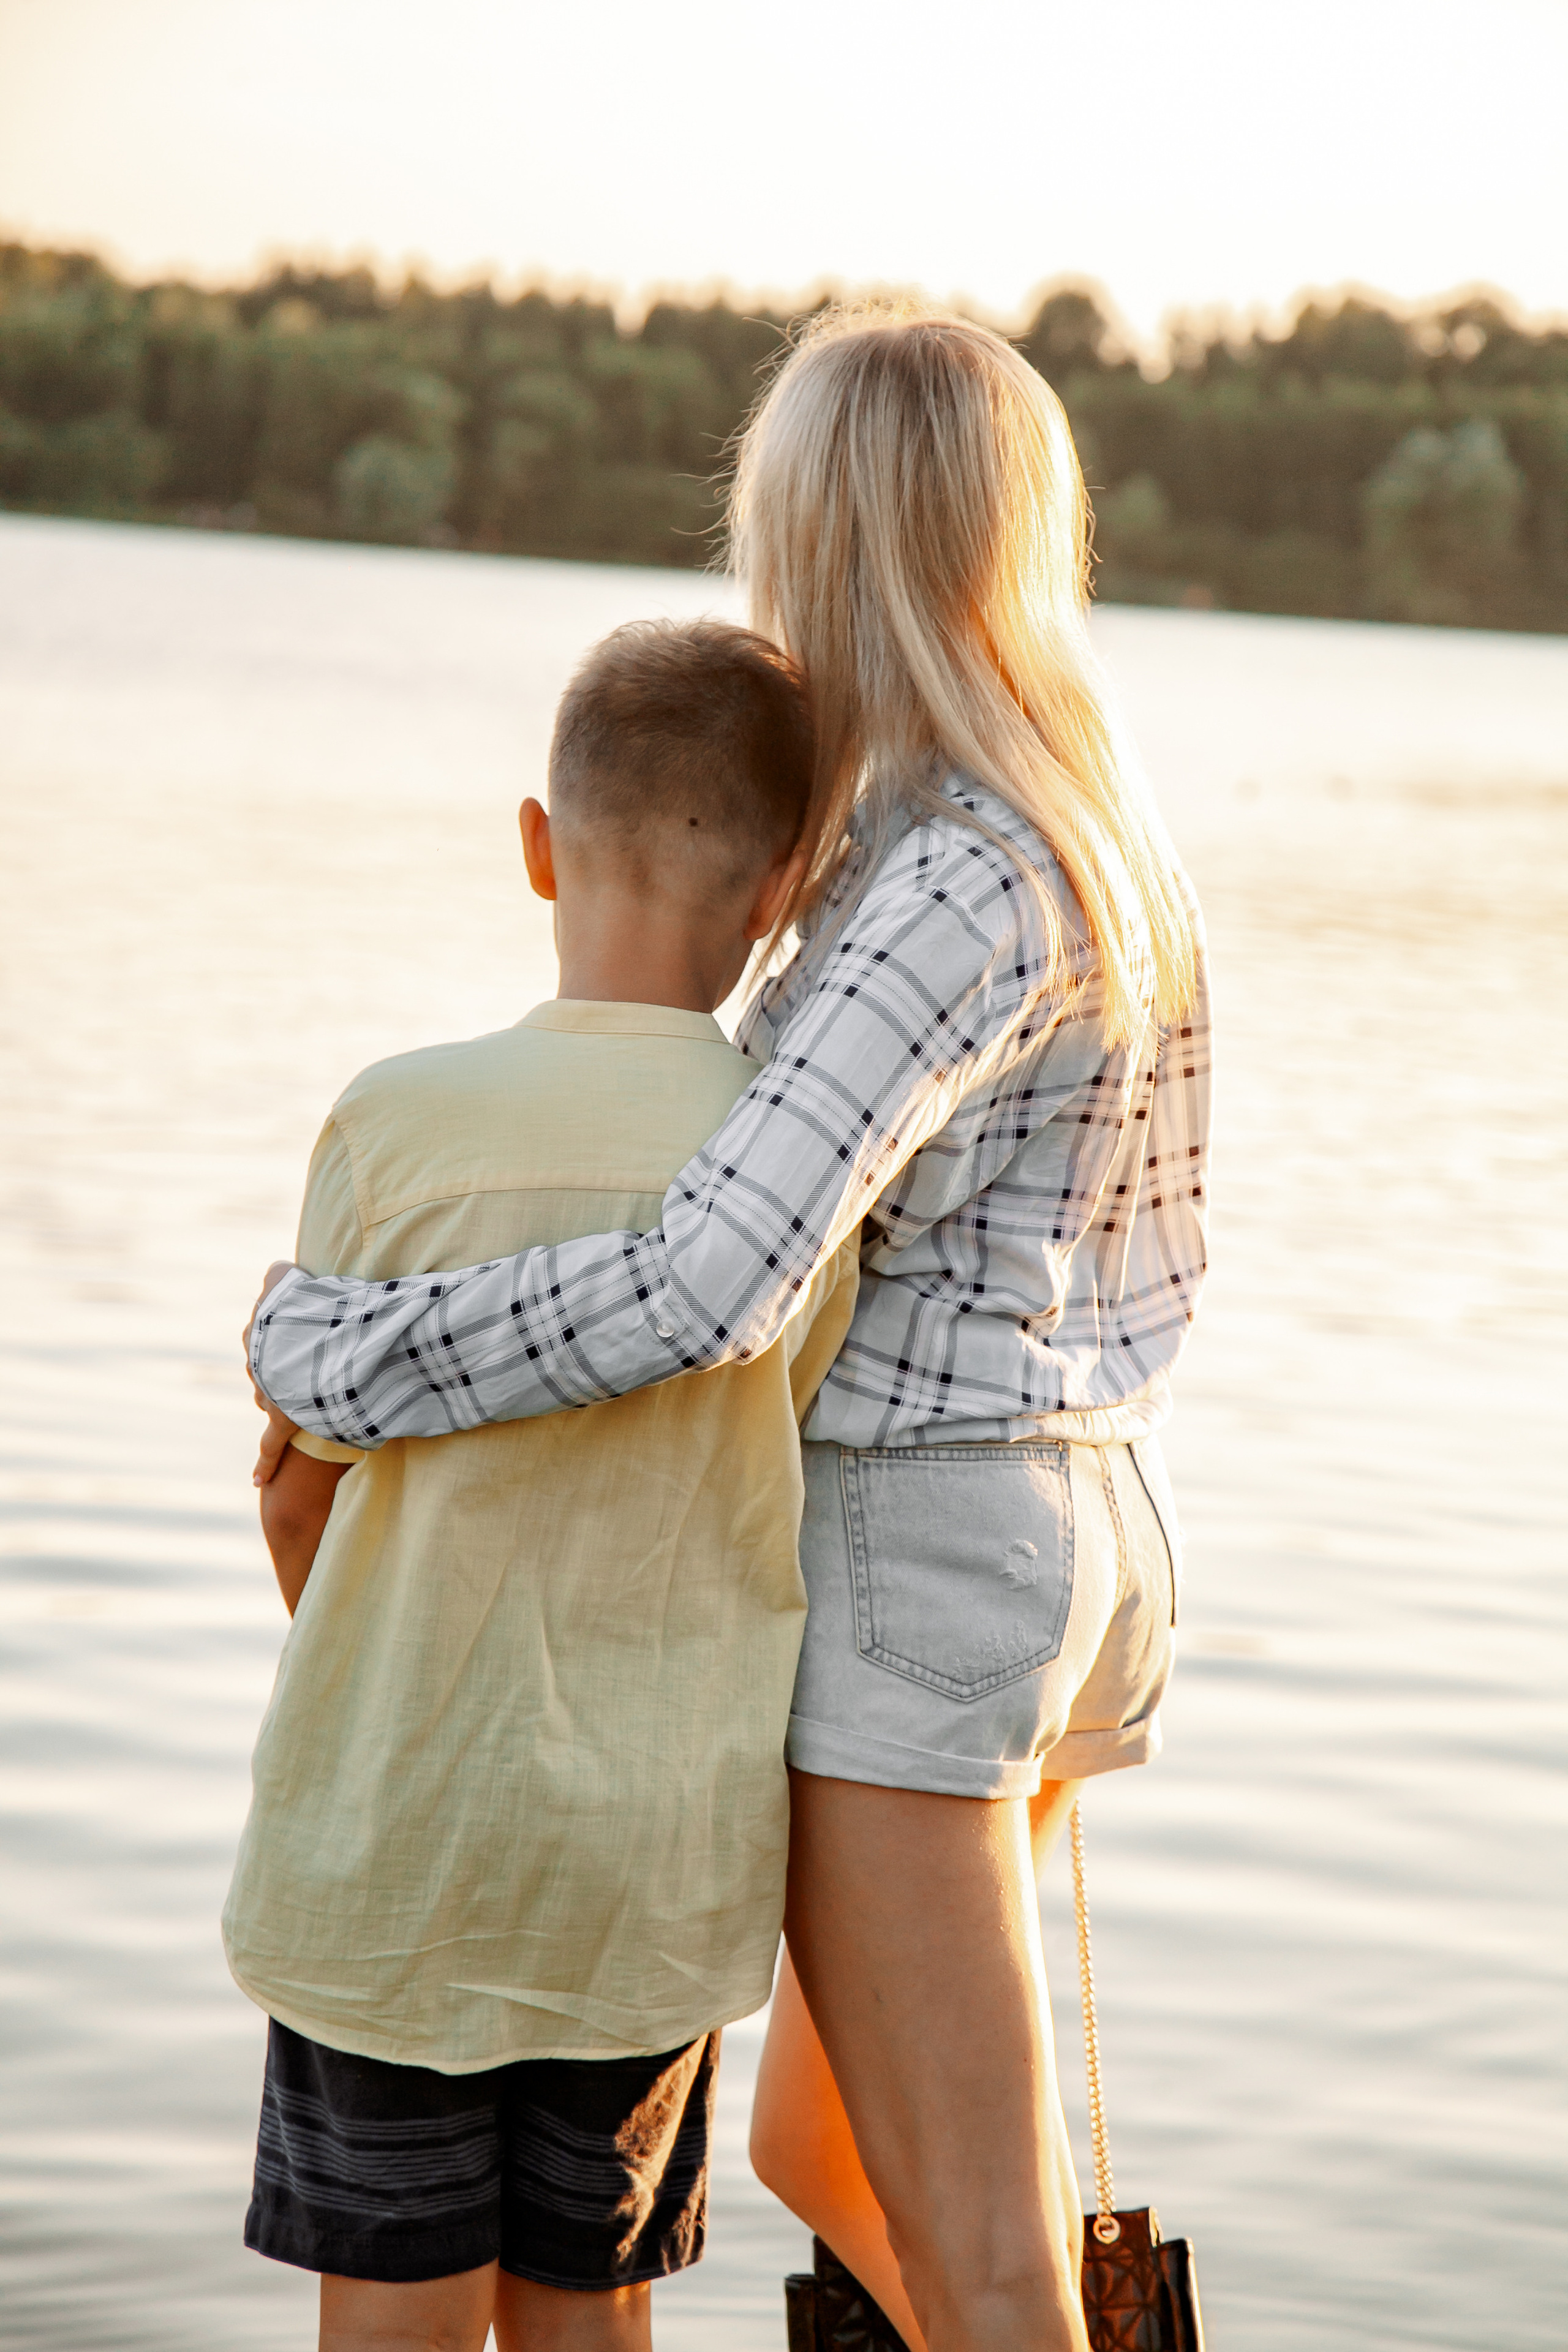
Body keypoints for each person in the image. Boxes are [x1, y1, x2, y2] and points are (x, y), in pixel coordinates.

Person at [248, 303, 1213, 2352]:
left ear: (831, 537)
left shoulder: (954, 870)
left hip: (915, 1565)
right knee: (830, 2166)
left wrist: (343, 1359)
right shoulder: (1086, 829)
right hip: (1057, 1525)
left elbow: (714, 1278)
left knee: (982, 2254)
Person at [228, 618, 860, 2352]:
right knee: (591, 2322)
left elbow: (302, 1495)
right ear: (782, 890)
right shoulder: (795, 1170)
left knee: (397, 2319)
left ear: (536, 842)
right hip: (644, 1873)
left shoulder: (398, 1123)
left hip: (400, 1841)